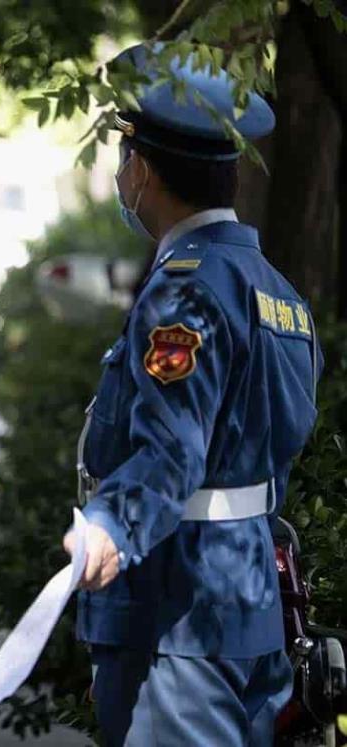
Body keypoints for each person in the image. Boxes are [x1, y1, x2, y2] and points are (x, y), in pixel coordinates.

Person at [68, 43, 322, 745]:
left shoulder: (184, 289)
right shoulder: (278, 293)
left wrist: (112, 527)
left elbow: (174, 449)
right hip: (249, 588)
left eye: (124, 157)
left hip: (176, 601)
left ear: (143, 169)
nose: (123, 174)